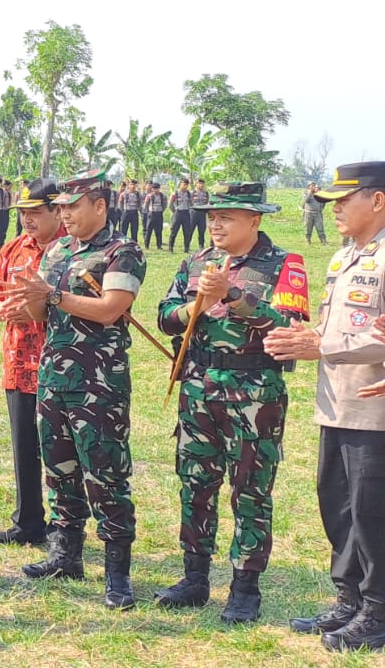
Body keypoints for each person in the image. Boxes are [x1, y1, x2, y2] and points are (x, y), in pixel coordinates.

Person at [155, 182, 307, 624]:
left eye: (227, 217)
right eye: (211, 216)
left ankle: (245, 588)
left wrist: (233, 297)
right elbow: (166, 317)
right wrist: (194, 307)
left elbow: (289, 327)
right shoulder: (197, 262)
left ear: (255, 220)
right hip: (199, 388)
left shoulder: (284, 264)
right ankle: (195, 577)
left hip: (253, 392)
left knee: (251, 491)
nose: (216, 224)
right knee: (195, 483)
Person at [3, 174, 146, 610]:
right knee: (59, 468)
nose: (64, 214)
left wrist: (53, 295)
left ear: (99, 206)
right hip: (54, 377)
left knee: (105, 473)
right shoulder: (59, 250)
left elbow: (111, 309)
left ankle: (117, 571)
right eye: (61, 207)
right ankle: (66, 555)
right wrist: (24, 300)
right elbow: (40, 307)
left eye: (73, 206)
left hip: (98, 382)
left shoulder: (122, 251)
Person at [265, 162, 385, 652]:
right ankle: (349, 598)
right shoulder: (344, 258)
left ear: (377, 201)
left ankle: (377, 611)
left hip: (373, 409)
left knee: (372, 512)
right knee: (337, 504)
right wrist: (308, 336)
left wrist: (325, 347)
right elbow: (341, 326)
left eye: (345, 198)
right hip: (335, 403)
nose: (334, 207)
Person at [0, 178, 64, 546]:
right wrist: (2, 310)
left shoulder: (70, 251)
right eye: (23, 214)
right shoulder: (13, 249)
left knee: (63, 449)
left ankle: (66, 527)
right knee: (24, 444)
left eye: (35, 213)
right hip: (19, 363)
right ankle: (28, 522)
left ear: (57, 210)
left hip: (61, 365)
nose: (28, 220)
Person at [168, 178, 194, 253]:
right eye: (183, 184)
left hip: (186, 213)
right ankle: (171, 248)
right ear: (180, 184)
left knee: (187, 232)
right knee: (174, 231)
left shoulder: (189, 194)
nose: (185, 186)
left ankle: (186, 248)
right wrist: (175, 211)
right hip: (178, 213)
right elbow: (170, 204)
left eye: (186, 185)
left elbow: (191, 203)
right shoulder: (175, 193)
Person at [142, 181, 166, 250]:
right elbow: (145, 205)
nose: (155, 190)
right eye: (154, 188)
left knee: (159, 230)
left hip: (159, 214)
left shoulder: (162, 196)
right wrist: (149, 212)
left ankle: (159, 245)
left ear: (159, 188)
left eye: (157, 188)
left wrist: (161, 210)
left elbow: (164, 205)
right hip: (151, 214)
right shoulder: (149, 196)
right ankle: (146, 245)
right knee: (148, 230)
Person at [191, 179, 211, 249]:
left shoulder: (206, 193)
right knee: (190, 230)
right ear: (196, 184)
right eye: (199, 183)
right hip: (194, 213)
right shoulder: (192, 193)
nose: (201, 185)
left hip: (202, 213)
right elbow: (189, 202)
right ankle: (187, 246)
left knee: (202, 231)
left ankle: (201, 246)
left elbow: (208, 203)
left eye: (202, 183)